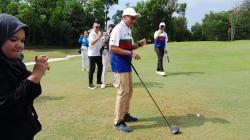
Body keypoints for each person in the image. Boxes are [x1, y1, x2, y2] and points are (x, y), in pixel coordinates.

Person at [0, 14, 49, 140]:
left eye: (22, 40)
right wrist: (35, 76)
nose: (19, 45)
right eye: (13, 39)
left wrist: (37, 71)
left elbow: (31, 92)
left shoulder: (15, 63)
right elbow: (8, 106)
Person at [109, 7, 147, 132]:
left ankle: (125, 114)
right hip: (119, 65)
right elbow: (112, 48)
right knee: (123, 92)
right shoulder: (118, 29)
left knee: (129, 91)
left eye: (135, 18)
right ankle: (118, 121)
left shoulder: (128, 29)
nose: (133, 20)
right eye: (131, 17)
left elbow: (129, 47)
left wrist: (139, 45)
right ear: (124, 17)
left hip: (126, 63)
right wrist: (130, 53)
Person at [88, 22, 103, 89]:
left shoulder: (99, 33)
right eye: (96, 27)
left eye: (98, 27)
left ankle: (98, 81)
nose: (97, 28)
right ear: (93, 27)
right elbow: (92, 42)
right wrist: (99, 37)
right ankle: (90, 84)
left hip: (98, 54)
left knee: (100, 67)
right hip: (92, 54)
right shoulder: (91, 34)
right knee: (92, 69)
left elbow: (101, 43)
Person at [101, 24, 115, 89]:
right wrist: (109, 35)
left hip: (113, 52)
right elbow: (104, 42)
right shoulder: (104, 34)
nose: (111, 31)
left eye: (113, 29)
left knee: (113, 68)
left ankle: (114, 82)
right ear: (108, 29)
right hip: (105, 52)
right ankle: (104, 83)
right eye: (110, 29)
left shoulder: (115, 35)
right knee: (105, 68)